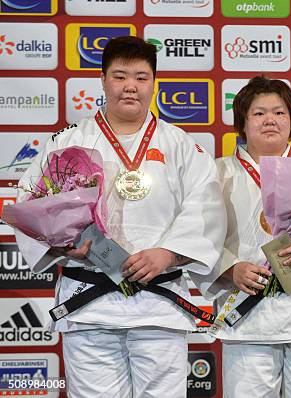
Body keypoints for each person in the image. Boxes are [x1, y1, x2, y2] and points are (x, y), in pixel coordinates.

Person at [14, 36, 227, 397]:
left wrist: (168, 253)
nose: (131, 86)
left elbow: (207, 209)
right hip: (89, 303)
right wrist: (65, 245)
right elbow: (31, 204)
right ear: (102, 80)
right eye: (120, 76)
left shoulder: (180, 145)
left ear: (154, 83)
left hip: (158, 305)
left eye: (142, 77)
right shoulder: (66, 143)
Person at [192, 76, 291, 398]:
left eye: (280, 113)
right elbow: (197, 234)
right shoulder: (216, 174)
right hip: (247, 314)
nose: (270, 120)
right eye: (259, 113)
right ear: (242, 122)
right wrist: (229, 268)